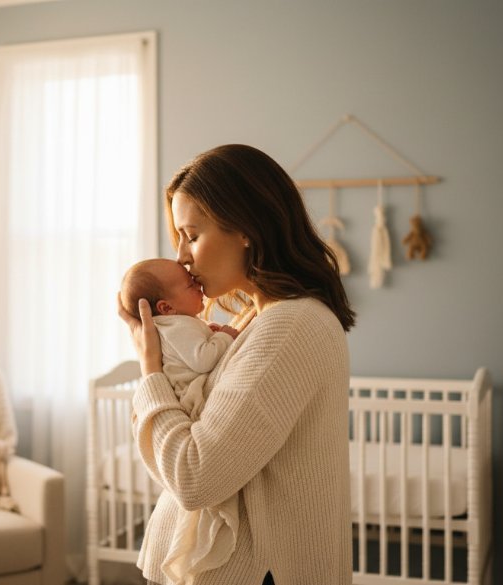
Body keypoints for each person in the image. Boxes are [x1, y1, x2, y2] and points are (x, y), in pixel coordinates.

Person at [117, 144, 356, 585]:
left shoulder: (290, 325)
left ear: (244, 228)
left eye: (191, 235)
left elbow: (193, 478)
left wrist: (151, 370)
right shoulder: (254, 319)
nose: (182, 257)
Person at [120, 257, 241, 585]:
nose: (197, 283)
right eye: (189, 285)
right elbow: (202, 360)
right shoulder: (180, 325)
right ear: (166, 306)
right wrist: (225, 336)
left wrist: (210, 334)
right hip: (185, 401)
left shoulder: (173, 324)